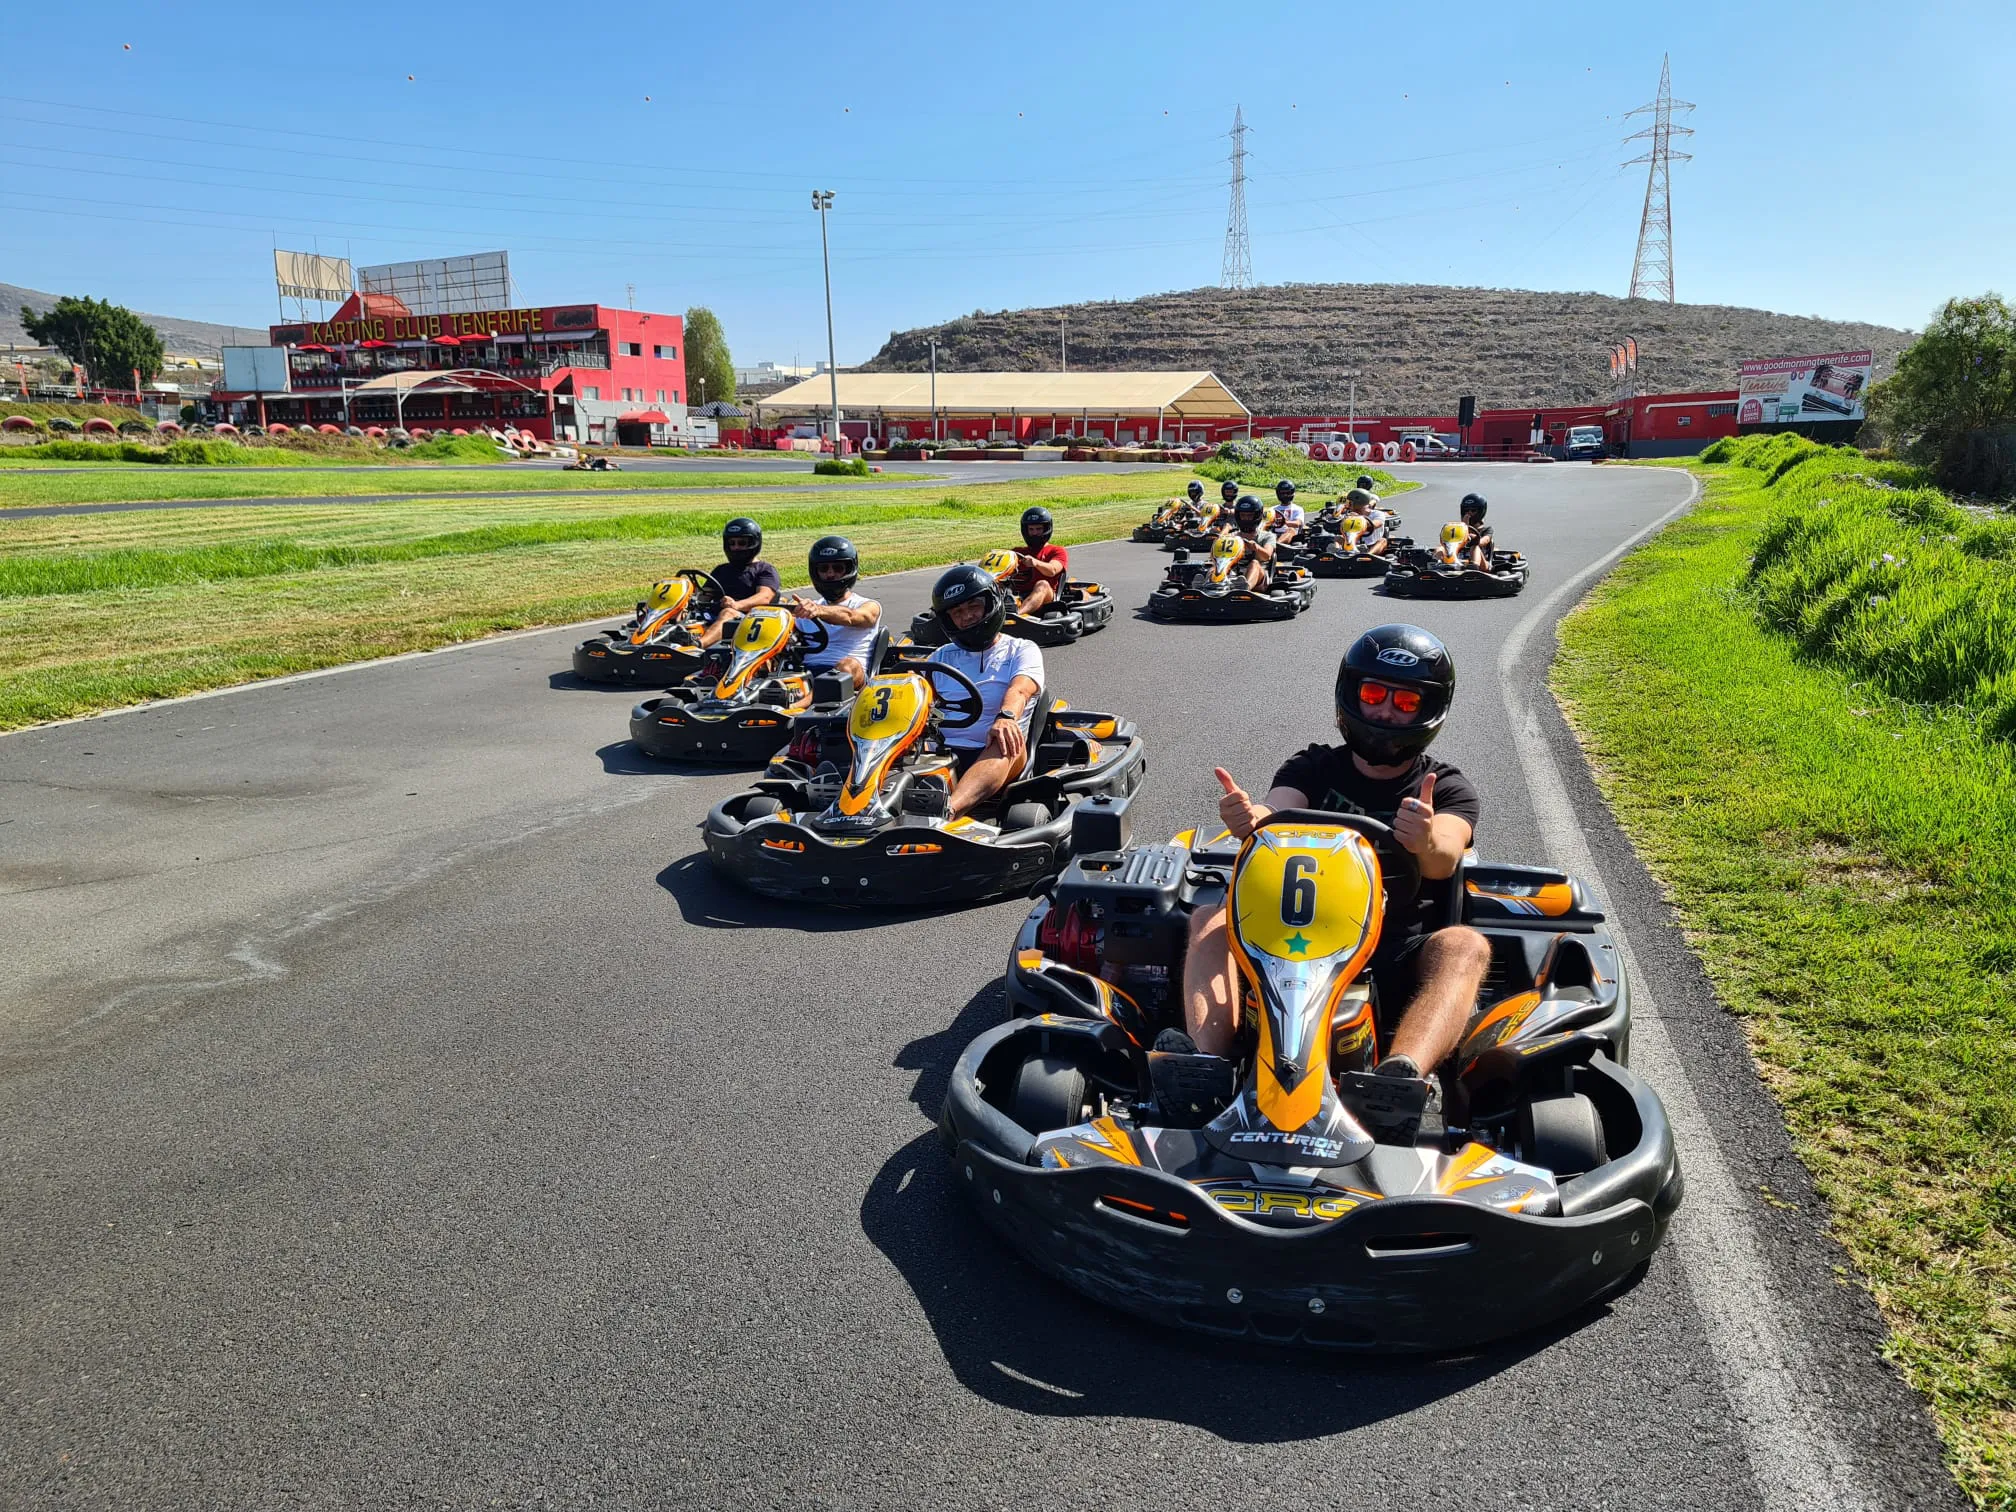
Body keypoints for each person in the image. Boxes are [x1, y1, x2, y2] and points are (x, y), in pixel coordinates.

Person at [1179, 624, 1489, 1086]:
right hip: (1289, 934)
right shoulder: (1314, 767)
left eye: (1405, 702)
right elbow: (1277, 808)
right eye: (1374, 693)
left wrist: (1424, 840)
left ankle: (1398, 1078)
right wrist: (1251, 819)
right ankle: (1206, 1066)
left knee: (1466, 945)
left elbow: (1445, 852)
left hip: (1395, 948)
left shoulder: (1446, 788)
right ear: (1351, 695)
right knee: (1211, 916)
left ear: (1430, 709)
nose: (1385, 711)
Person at [924, 564, 1045, 820]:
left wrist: (1006, 717)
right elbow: (913, 691)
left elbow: (1021, 689)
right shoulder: (939, 657)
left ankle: (946, 813)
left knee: (1004, 740)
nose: (966, 617)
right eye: (957, 612)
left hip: (999, 751)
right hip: (943, 751)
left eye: (973, 607)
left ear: (991, 604)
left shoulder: (1021, 649)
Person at [780, 535, 881, 690]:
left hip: (848, 678)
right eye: (824, 569)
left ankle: (796, 707)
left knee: (848, 666)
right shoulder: (805, 608)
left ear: (849, 569)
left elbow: (852, 617)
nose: (830, 574)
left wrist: (819, 611)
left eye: (838, 568)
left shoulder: (868, 605)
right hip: (806, 673)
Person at [695, 517, 782, 647]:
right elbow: (704, 596)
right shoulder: (721, 570)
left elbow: (764, 597)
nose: (735, 547)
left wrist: (736, 605)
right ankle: (659, 643)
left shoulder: (765, 569)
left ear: (754, 543)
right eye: (732, 543)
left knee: (728, 613)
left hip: (750, 621)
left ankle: (697, 645)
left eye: (741, 543)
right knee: (683, 612)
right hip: (715, 615)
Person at [1007, 505, 1069, 615]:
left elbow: (1053, 570)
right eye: (1031, 529)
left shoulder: (1057, 551)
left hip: (1046, 598)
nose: (1034, 533)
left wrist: (1035, 563)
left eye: (1038, 529)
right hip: (1017, 594)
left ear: (1046, 529)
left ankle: (1017, 615)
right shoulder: (1016, 552)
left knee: (1042, 584)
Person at [1223, 494, 1278, 591]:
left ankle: (1245, 588)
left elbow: (1267, 556)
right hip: (1234, 574)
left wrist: (1255, 547)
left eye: (1249, 515)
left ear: (1257, 515)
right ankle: (1209, 585)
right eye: (1243, 515)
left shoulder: (1267, 536)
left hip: (1259, 579)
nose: (1246, 518)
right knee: (1214, 566)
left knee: (1254, 563)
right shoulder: (1232, 536)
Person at [1458, 493, 1494, 571]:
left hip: (1482, 564)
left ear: (1481, 511)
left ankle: (1473, 566)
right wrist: (1463, 526)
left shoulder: (1487, 529)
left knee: (1475, 546)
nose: (1469, 513)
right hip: (1459, 561)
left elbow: (1484, 541)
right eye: (1466, 510)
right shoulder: (1458, 528)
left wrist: (1472, 536)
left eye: (1473, 510)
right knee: (1442, 547)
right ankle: (1436, 563)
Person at [1269, 479, 1306, 547]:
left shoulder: (1298, 509)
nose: (1285, 495)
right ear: (1278, 494)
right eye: (1283, 493)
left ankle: (1276, 545)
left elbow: (1298, 523)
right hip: (1274, 533)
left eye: (1288, 493)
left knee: (1290, 530)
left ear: (1292, 493)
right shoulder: (1272, 509)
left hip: (1292, 536)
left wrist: (1284, 522)